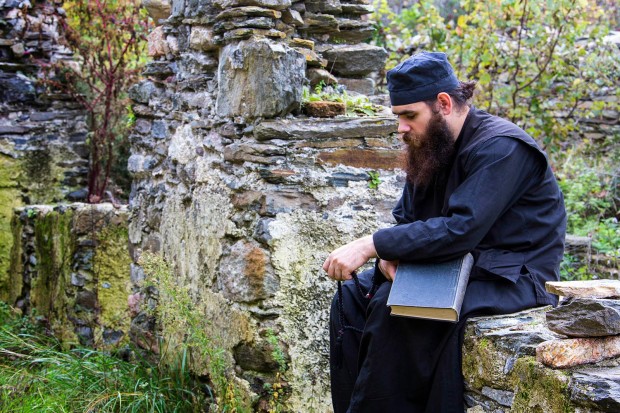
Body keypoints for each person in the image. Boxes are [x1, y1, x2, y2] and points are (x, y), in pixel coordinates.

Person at [322, 52, 567, 413]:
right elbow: (407, 219)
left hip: (511, 278)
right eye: (398, 117)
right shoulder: (431, 147)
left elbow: (460, 230)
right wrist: (391, 257)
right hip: (451, 268)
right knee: (353, 296)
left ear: (443, 103)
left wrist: (373, 245)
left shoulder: (502, 147)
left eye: (409, 116)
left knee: (399, 312)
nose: (401, 128)